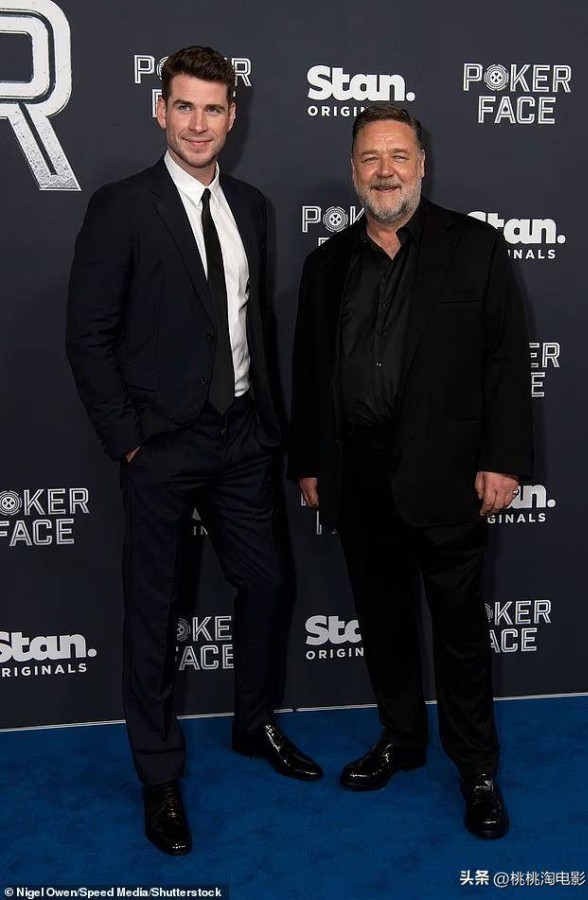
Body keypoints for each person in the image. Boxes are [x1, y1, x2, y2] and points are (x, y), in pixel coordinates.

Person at [66, 45, 322, 857]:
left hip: (242, 436)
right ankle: (159, 774)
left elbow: (252, 324)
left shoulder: (252, 206)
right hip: (160, 445)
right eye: (184, 106)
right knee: (155, 610)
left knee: (269, 582)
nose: (199, 124)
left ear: (233, 116)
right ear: (160, 110)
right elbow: (88, 335)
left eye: (213, 108)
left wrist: (273, 426)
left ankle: (253, 723)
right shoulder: (120, 207)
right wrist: (130, 443)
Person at [288, 104, 532, 839]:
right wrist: (311, 462)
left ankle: (477, 767)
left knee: (459, 630)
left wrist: (502, 459)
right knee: (384, 621)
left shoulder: (475, 247)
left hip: (449, 474)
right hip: (359, 473)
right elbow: (310, 373)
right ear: (353, 170)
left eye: (398, 156)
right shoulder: (326, 265)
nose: (385, 171)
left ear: (422, 164)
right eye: (371, 158)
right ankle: (400, 738)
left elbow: (506, 360)